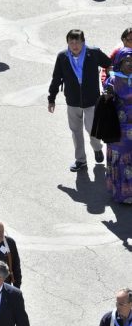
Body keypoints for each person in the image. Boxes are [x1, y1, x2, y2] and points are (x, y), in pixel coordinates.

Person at [48, 29, 111, 172]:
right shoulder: (62, 57)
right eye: (71, 42)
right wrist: (51, 98)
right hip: (73, 101)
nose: (74, 45)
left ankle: (97, 148)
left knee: (91, 129)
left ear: (83, 42)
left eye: (77, 41)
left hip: (91, 101)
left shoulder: (93, 53)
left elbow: (108, 63)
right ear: (68, 43)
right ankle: (80, 160)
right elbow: (56, 79)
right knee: (75, 131)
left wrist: (109, 82)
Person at [103, 48, 132, 203]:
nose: (130, 64)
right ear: (120, 63)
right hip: (120, 130)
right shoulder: (113, 80)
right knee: (121, 161)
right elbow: (106, 100)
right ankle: (123, 194)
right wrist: (107, 95)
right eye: (126, 61)